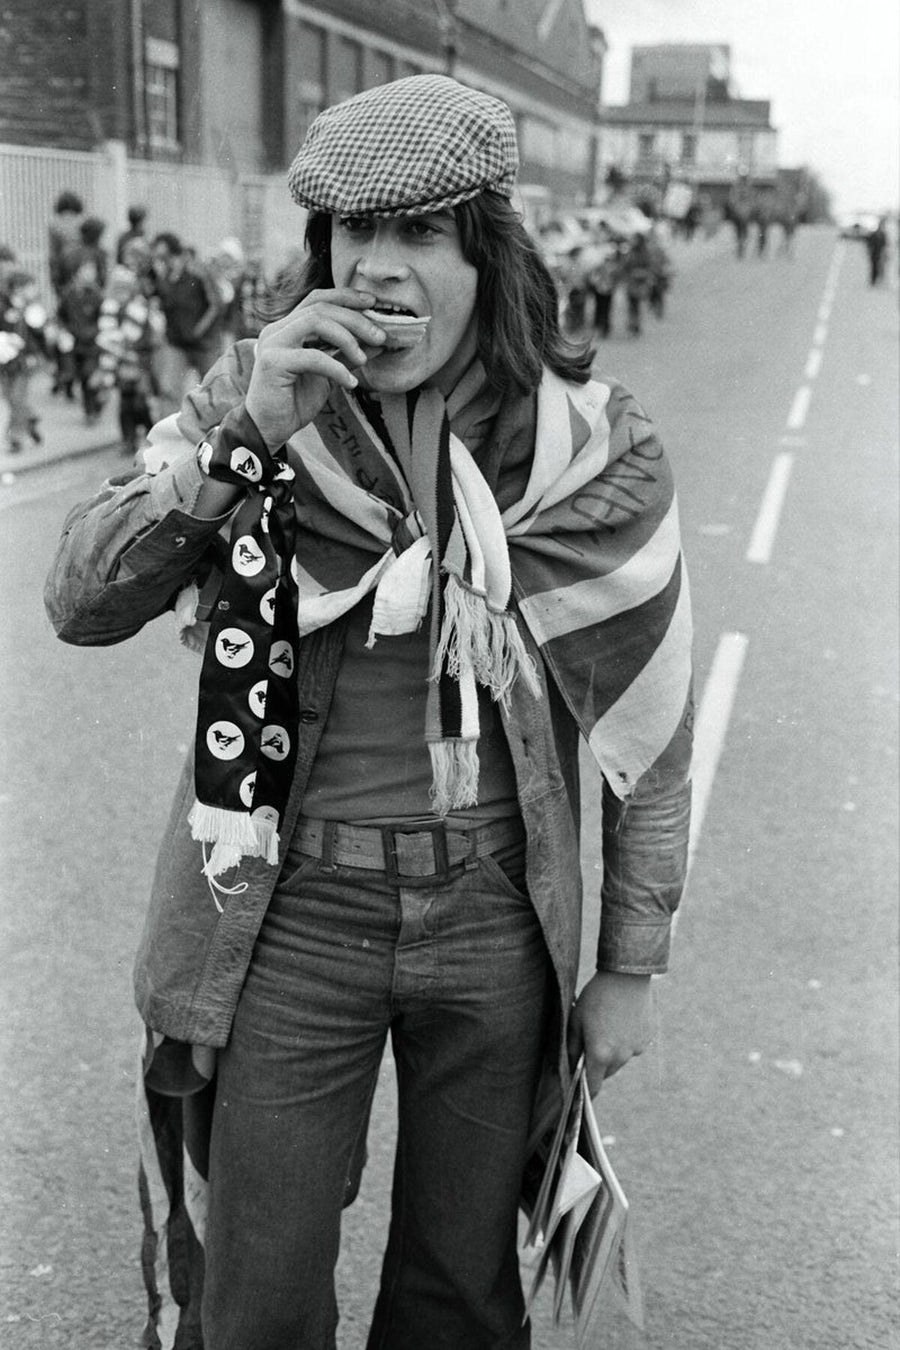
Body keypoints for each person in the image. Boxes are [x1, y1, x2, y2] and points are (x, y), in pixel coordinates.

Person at [44, 74, 693, 1350]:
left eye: (422, 234)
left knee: (459, 1298)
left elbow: (647, 739)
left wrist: (629, 965)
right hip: (296, 917)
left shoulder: (591, 447)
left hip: (497, 914)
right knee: (259, 1297)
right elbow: (81, 595)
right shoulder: (258, 395)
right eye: (354, 232)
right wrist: (247, 433)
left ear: (487, 253)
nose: (381, 271)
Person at [151, 230, 225, 410]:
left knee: (212, 391)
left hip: (204, 343)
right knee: (169, 390)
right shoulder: (163, 277)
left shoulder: (198, 273)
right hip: (176, 342)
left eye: (165, 256)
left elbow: (216, 304)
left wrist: (199, 330)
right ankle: (168, 435)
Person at [0, 266, 47, 452]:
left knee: (16, 397)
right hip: (5, 360)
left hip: (23, 362)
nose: (33, 292)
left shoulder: (31, 310)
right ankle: (30, 419)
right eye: (30, 287)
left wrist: (37, 354)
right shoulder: (4, 307)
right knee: (10, 397)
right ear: (19, 288)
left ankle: (16, 438)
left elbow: (37, 335)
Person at [865, 217, 888, 286]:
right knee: (874, 266)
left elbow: (885, 244)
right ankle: (873, 280)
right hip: (874, 253)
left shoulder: (883, 235)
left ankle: (879, 280)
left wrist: (885, 252)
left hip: (880, 253)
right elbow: (869, 243)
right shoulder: (873, 234)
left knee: (881, 267)